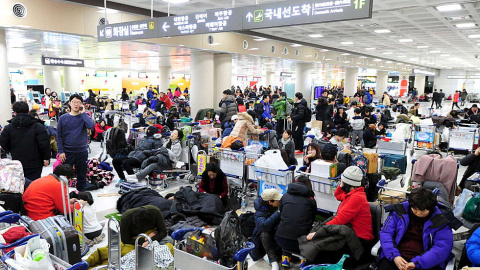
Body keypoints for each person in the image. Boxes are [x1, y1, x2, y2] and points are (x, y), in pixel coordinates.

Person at [305, 166, 373, 266]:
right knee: (319, 248)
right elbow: (337, 195)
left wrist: (319, 233)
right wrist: (342, 185)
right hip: (348, 233)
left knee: (322, 253)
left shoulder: (356, 198)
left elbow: (340, 219)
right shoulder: (352, 194)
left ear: (348, 184)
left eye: (342, 182)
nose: (340, 184)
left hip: (358, 240)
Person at [378, 188, 453, 270]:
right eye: (415, 209)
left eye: (423, 210)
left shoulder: (441, 221)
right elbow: (386, 233)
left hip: (425, 262)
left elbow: (442, 247)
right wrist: (394, 256)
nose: (418, 213)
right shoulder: (398, 212)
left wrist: (417, 263)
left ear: (430, 208)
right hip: (397, 256)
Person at [0, 101, 50, 180]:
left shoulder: (9, 127)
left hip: (16, 162)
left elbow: (3, 142)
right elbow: (44, 144)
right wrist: (46, 158)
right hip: (35, 162)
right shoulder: (38, 126)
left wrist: (11, 149)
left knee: (18, 185)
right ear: (28, 111)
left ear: (15, 112)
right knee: (33, 186)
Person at [275, 176, 316, 268]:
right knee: (310, 232)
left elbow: (281, 214)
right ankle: (304, 259)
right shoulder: (311, 200)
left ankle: (285, 258)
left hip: (281, 239)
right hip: (300, 242)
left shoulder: (285, 196)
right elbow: (311, 219)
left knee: (287, 227)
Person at [56, 94, 95, 191]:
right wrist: (61, 151)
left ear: (82, 104)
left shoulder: (84, 117)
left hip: (81, 151)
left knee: (81, 176)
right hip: (67, 152)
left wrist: (83, 113)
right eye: (74, 102)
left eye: (78, 102)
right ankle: (64, 197)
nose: (76, 104)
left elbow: (91, 126)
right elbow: (59, 136)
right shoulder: (63, 118)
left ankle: (81, 195)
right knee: (64, 176)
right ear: (69, 103)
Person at [251, 189, 283, 270]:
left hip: (275, 237)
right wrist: (278, 213)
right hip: (263, 240)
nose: (280, 201)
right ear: (270, 202)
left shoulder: (274, 206)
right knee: (265, 233)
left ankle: (269, 256)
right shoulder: (259, 212)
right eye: (277, 200)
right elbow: (264, 226)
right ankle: (273, 261)